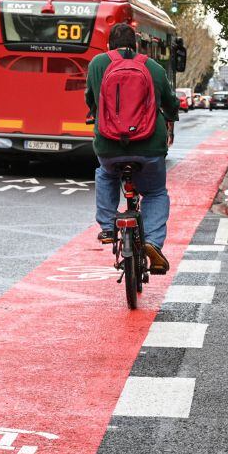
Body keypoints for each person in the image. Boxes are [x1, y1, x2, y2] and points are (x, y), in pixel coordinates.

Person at [86, 23, 180, 273]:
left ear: (109, 45)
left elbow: (91, 99)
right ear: (137, 45)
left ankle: (107, 227)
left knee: (106, 174)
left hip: (108, 144)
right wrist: (171, 118)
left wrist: (94, 113)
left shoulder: (97, 64)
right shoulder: (154, 68)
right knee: (155, 192)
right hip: (149, 147)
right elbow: (171, 103)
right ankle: (152, 242)